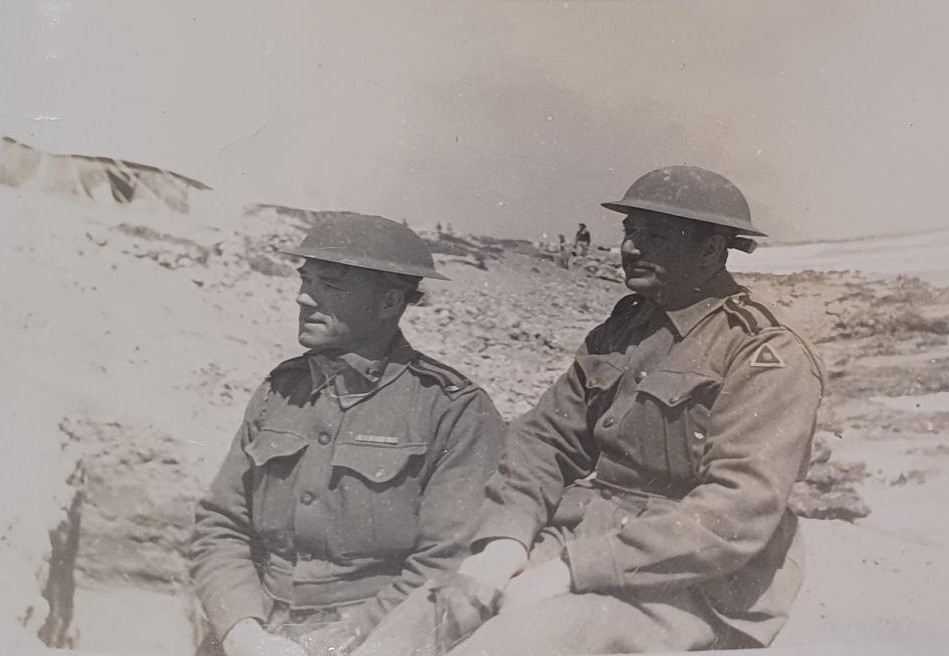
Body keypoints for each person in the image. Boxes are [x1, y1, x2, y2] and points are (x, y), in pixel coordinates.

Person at [353, 166, 825, 655]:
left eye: (655, 236)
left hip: (694, 579)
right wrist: (505, 544)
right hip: (587, 537)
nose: (630, 248)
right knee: (426, 615)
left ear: (710, 251)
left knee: (510, 643)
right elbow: (544, 439)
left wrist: (573, 571)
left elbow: (736, 513)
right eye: (630, 231)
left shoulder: (762, 352)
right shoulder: (624, 329)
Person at [190, 213, 506, 656]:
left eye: (331, 285)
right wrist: (242, 628)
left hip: (375, 639)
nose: (303, 297)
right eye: (306, 280)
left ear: (389, 302)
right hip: (255, 629)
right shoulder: (281, 389)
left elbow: (445, 562)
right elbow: (221, 524)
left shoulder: (452, 409)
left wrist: (337, 643)